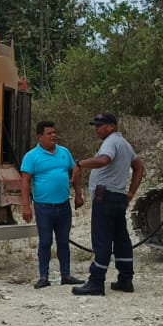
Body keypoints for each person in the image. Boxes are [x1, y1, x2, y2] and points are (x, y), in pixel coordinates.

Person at [71, 113, 144, 295]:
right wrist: (130, 193)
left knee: (102, 239)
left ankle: (96, 282)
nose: (96, 129)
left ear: (111, 126)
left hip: (105, 196)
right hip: (118, 196)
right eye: (95, 125)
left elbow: (104, 160)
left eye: (100, 125)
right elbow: (139, 167)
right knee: (121, 239)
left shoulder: (111, 142)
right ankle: (125, 279)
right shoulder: (124, 144)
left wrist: (80, 163)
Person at [19, 120, 84, 289]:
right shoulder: (31, 156)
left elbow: (75, 172)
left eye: (55, 132)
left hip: (63, 206)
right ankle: (43, 276)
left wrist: (78, 194)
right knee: (45, 242)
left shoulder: (64, 152)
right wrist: (26, 206)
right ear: (40, 136)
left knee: (63, 241)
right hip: (44, 207)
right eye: (49, 133)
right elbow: (25, 182)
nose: (54, 136)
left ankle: (66, 275)